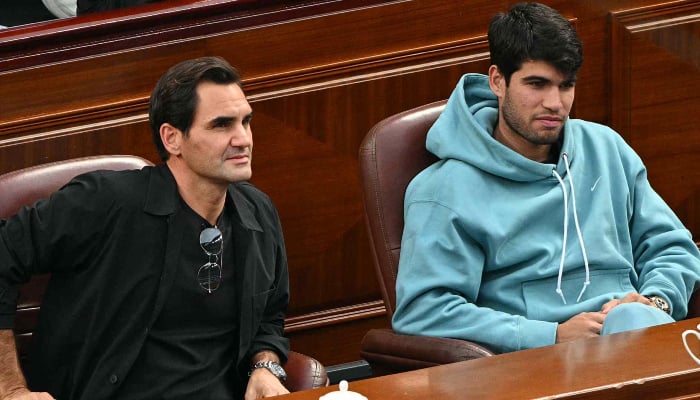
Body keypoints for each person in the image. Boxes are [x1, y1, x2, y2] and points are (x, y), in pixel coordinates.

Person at [392, 2, 700, 354]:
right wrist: (549, 335)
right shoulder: (443, 190)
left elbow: (672, 247)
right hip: (536, 362)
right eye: (537, 84)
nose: (555, 103)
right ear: (497, 81)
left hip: (633, 330)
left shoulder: (606, 148)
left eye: (565, 85)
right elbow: (424, 311)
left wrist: (655, 301)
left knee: (633, 323)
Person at [0, 56, 291, 400]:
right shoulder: (105, 201)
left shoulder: (257, 212)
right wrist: (11, 388)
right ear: (172, 139)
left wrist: (265, 366)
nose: (243, 139)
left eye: (246, 122)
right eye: (222, 125)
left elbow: (270, 317)